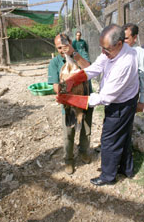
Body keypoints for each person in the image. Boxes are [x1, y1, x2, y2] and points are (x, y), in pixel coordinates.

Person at [57, 24, 139, 186]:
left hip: (121, 104)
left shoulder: (125, 63)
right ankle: (126, 169)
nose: (103, 52)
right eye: (101, 47)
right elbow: (96, 67)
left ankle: (108, 176)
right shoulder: (110, 50)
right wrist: (74, 79)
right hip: (124, 98)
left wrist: (70, 99)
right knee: (123, 135)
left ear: (120, 44)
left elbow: (104, 98)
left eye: (106, 49)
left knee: (109, 139)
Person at [48, 33, 93, 175]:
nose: (62, 50)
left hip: (86, 99)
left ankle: (84, 152)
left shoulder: (81, 55)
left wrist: (74, 54)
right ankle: (68, 159)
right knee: (68, 133)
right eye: (59, 47)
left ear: (71, 43)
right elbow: (55, 86)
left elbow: (90, 68)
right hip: (68, 103)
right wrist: (64, 88)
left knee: (86, 130)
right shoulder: (55, 63)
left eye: (65, 46)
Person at [122, 23, 144, 112]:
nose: (123, 41)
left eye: (126, 38)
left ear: (135, 38)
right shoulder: (120, 52)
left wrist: (142, 101)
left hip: (130, 99)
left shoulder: (138, 53)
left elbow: (142, 77)